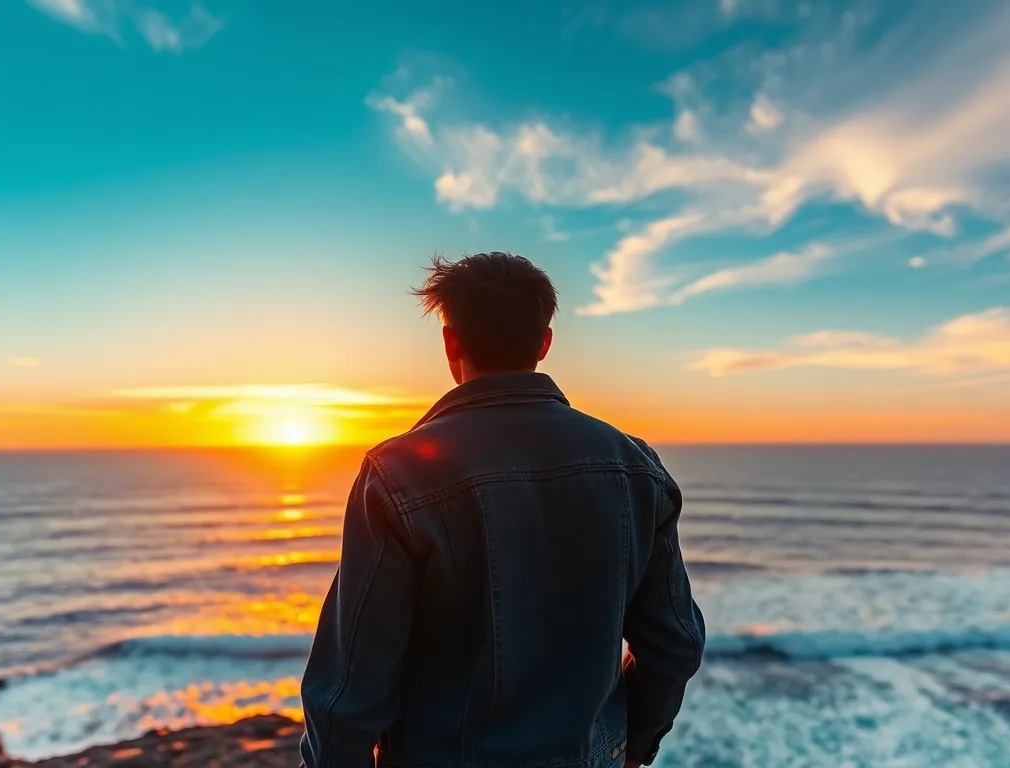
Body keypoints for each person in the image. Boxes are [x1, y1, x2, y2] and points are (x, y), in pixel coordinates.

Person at [300, 252, 706, 768]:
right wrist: (631, 748)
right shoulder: (634, 466)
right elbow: (676, 645)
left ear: (451, 342)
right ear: (544, 343)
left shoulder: (397, 475)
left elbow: (350, 692)